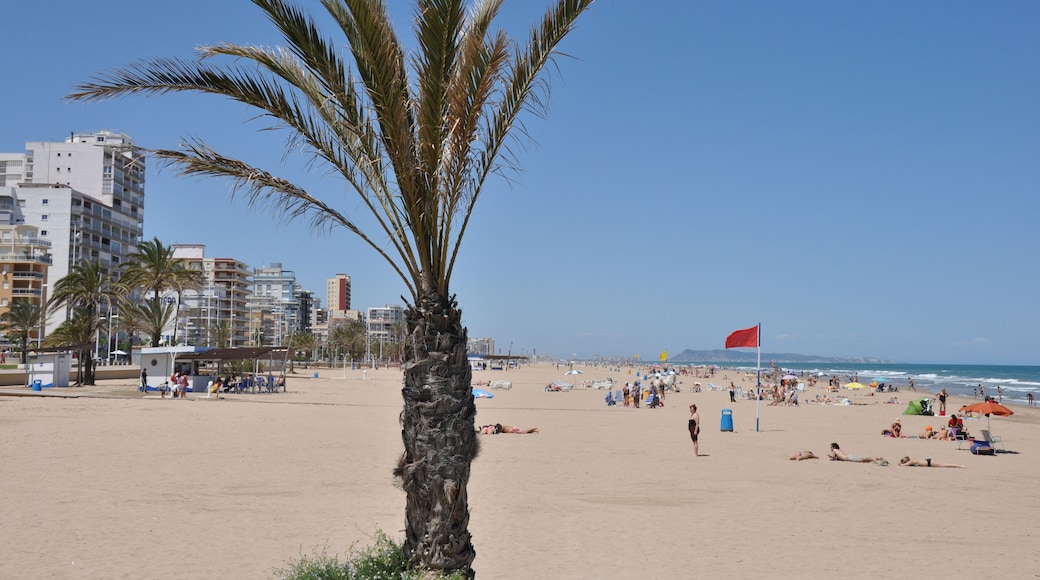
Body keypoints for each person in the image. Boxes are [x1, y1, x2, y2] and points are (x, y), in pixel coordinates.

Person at [899, 456, 964, 468]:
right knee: (944, 464)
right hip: (928, 461)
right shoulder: (912, 460)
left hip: (929, 463)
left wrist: (900, 464)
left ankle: (959, 466)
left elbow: (903, 465)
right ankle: (958, 465)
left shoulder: (911, 461)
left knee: (944, 465)